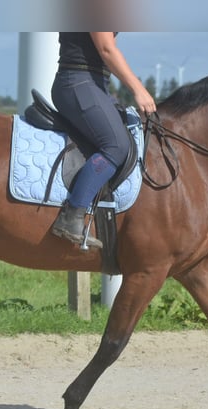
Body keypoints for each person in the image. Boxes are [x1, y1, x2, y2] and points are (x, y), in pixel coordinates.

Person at [50, 32, 157, 249]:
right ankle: (72, 216)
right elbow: (107, 49)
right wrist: (139, 89)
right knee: (116, 146)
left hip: (96, 83)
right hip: (78, 82)